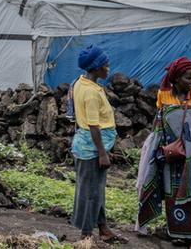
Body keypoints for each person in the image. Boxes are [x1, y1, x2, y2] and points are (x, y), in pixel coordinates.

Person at [137, 57, 191, 247]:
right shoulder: (163, 95)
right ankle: (180, 233)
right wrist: (152, 144)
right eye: (188, 78)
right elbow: (159, 121)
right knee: (173, 193)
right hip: (173, 156)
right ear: (176, 79)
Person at [71, 44, 124, 245]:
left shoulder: (82, 83)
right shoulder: (91, 93)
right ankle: (85, 235)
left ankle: (103, 228)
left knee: (96, 189)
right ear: (95, 68)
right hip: (92, 148)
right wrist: (102, 153)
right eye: (105, 65)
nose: (108, 68)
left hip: (88, 144)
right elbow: (93, 125)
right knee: (89, 193)